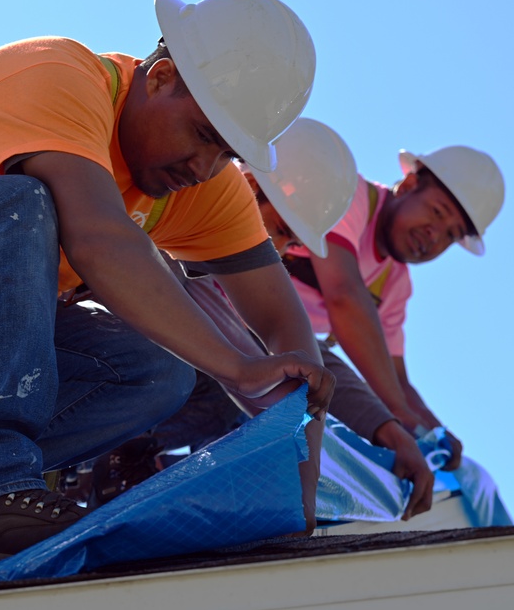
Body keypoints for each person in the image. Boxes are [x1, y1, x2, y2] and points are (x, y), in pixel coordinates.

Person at [0, 0, 334, 574]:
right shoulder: (58, 75)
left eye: (227, 153)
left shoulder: (198, 185)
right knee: (14, 206)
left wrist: (298, 497)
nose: (205, 168)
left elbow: (285, 328)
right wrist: (239, 367)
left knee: (156, 369)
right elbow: (102, 239)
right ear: (163, 76)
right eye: (203, 134)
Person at [73, 118, 437, 521]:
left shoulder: (227, 273)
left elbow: (305, 357)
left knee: (261, 382)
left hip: (92, 383)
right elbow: (255, 344)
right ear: (248, 188)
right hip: (64, 370)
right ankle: (115, 463)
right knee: (228, 377)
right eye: (281, 231)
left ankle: (116, 472)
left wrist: (386, 429)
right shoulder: (178, 233)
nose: (280, 251)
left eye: (293, 243)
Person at [282, 145, 506, 469]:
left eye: (451, 234)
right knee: (318, 376)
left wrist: (432, 427)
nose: (434, 235)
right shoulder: (347, 194)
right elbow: (344, 295)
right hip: (219, 297)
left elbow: (396, 380)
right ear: (409, 185)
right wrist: (398, 414)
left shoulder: (393, 284)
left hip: (269, 342)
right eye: (438, 212)